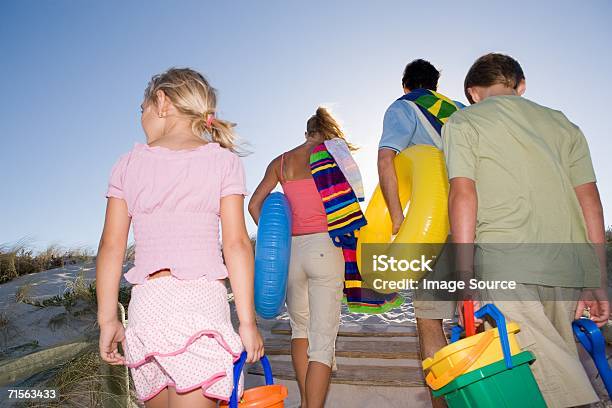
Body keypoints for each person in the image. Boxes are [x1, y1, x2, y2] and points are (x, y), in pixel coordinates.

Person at [444, 53, 608, 407]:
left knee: (545, 380)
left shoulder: (463, 122)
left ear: (472, 92)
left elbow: (463, 194)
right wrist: (596, 278)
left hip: (507, 265)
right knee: (553, 366)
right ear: (520, 86)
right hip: (568, 268)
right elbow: (591, 203)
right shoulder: (564, 124)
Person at [96, 68, 264, 408]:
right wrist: (247, 321)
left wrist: (107, 319)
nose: (141, 118)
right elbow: (236, 245)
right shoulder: (223, 161)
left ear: (162, 101)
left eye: (141, 108)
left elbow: (111, 248)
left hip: (148, 307)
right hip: (200, 305)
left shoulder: (127, 164)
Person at [248, 107, 351, 408]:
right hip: (325, 247)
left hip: (290, 253)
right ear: (327, 132)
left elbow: (255, 205)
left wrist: (274, 243)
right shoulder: (333, 157)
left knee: (300, 330)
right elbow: (350, 206)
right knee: (322, 340)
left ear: (306, 132)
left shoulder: (280, 162)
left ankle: (306, 402)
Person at [377, 59, 463, 408]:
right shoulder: (459, 110)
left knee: (430, 320)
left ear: (405, 84)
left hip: (437, 226)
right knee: (485, 313)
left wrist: (397, 217)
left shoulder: (403, 107)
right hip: (478, 221)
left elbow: (387, 160)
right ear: (436, 84)